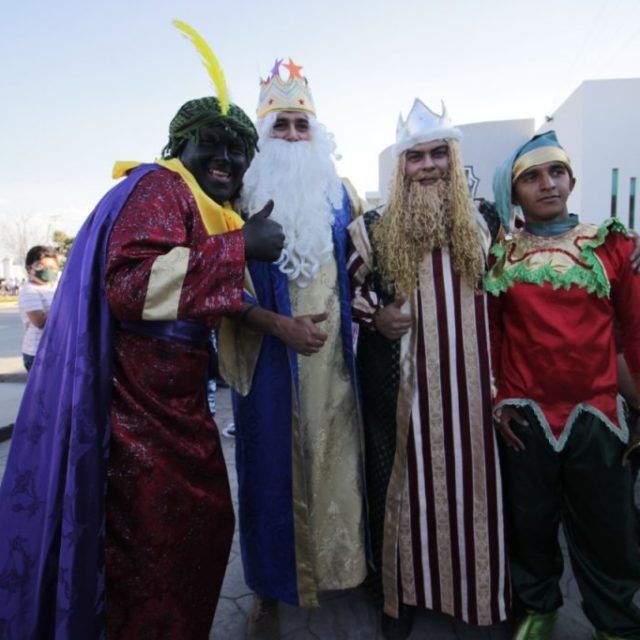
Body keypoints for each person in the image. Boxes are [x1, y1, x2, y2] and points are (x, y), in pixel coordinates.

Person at [0, 26, 286, 640]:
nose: (227, 158)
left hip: (176, 408)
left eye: (239, 149)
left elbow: (200, 290)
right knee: (163, 546)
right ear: (178, 146)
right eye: (211, 143)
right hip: (139, 417)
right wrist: (240, 246)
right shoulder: (160, 185)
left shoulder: (197, 201)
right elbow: (129, 286)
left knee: (190, 537)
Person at [347, 99, 510, 639]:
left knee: (475, 489)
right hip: (399, 393)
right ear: (401, 166)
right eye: (415, 157)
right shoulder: (370, 227)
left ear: (453, 157)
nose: (428, 166)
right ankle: (400, 599)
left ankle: (477, 595)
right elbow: (347, 291)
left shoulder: (487, 220)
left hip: (473, 394)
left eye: (438, 153)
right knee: (398, 493)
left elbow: (518, 283)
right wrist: (375, 317)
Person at [219, 58, 367, 638]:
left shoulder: (342, 192)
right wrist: (278, 326)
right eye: (279, 125)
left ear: (317, 131)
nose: (292, 135)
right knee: (268, 473)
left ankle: (343, 570)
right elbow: (217, 285)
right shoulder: (236, 197)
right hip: (266, 360)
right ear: (262, 133)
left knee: (339, 468)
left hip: (334, 364)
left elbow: (368, 268)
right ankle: (268, 589)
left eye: (301, 124)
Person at [487, 131, 640, 640]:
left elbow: (634, 331)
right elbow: (492, 334)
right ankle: (538, 607)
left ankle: (614, 621)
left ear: (572, 180)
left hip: (598, 415)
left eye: (556, 172)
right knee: (529, 523)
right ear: (515, 192)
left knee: (609, 528)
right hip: (526, 418)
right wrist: (499, 399)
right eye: (531, 177)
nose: (547, 184)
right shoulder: (500, 254)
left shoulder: (612, 244)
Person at [18, 245, 60, 371]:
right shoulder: (29, 291)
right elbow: (40, 322)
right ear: (29, 269)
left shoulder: (54, 287)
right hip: (37, 352)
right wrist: (63, 304)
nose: (48, 271)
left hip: (55, 349)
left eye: (52, 267)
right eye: (41, 266)